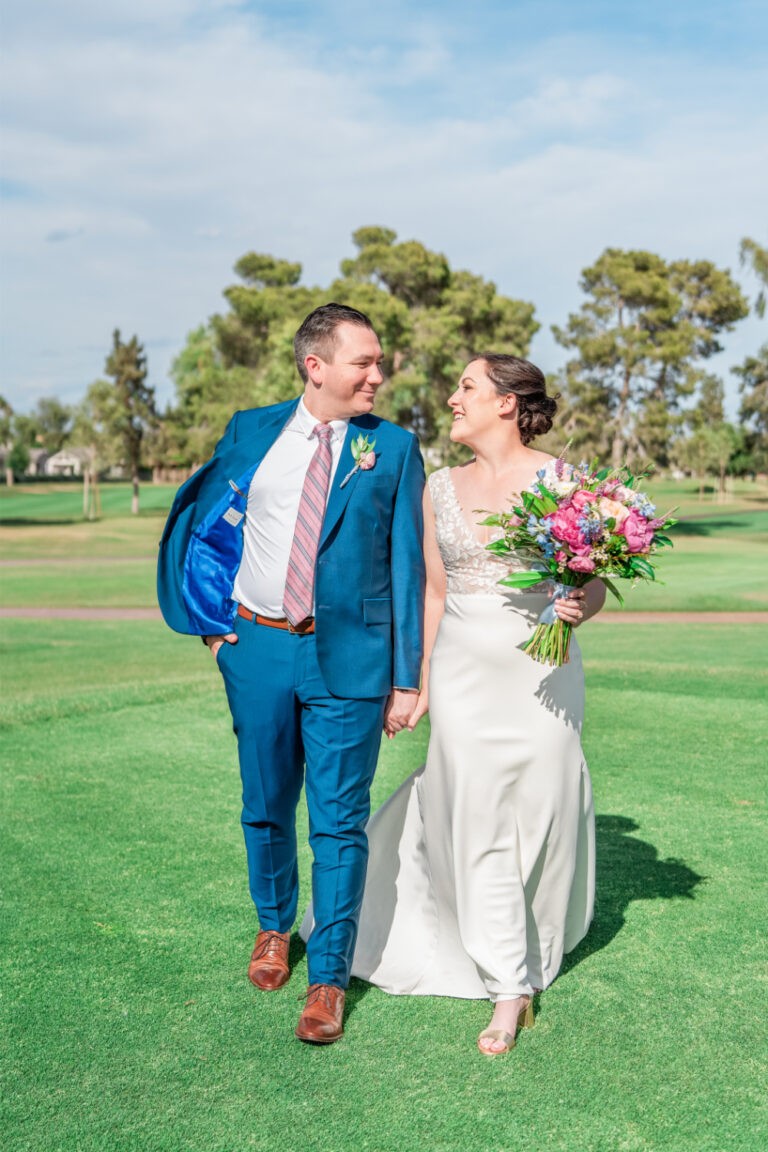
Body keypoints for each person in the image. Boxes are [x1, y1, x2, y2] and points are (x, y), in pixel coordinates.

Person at [157, 303, 425, 1045]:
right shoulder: (250, 429)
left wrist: (407, 678)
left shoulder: (394, 448)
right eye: (363, 362)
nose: (378, 374)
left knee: (339, 823)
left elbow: (405, 566)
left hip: (352, 661)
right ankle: (274, 927)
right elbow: (206, 526)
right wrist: (215, 631)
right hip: (258, 649)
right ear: (317, 366)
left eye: (378, 362)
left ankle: (328, 978)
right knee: (266, 803)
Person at [330, 353, 606, 1056]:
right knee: (476, 815)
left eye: (467, 387)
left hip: (542, 675)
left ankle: (532, 938)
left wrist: (579, 607)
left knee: (543, 810)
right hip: (461, 675)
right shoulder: (439, 488)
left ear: (508, 402)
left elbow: (593, 586)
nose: (452, 399)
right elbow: (434, 593)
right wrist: (416, 683)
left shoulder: (564, 481)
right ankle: (509, 986)